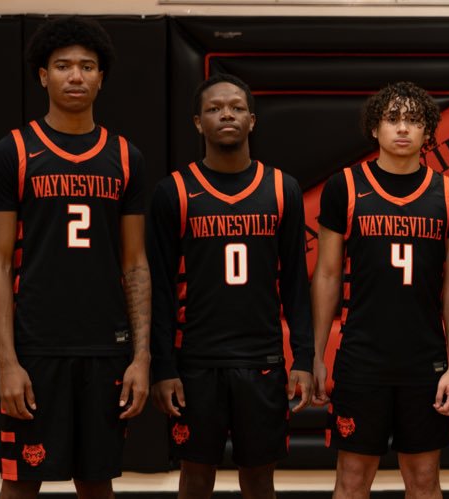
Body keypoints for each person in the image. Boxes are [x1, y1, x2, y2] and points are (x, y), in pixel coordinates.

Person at [0, 16, 150, 499]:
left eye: (87, 66)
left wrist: (140, 357)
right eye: (63, 66)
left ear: (101, 77)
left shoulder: (124, 157)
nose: (75, 76)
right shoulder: (11, 152)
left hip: (105, 346)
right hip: (36, 348)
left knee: (97, 485)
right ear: (42, 76)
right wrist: (6, 362)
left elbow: (135, 264)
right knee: (20, 484)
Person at [146, 74, 314, 499]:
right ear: (198, 123)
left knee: (259, 481)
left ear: (252, 121)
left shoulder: (282, 189)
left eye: (237, 108)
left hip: (262, 360)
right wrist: (163, 367)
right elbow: (161, 290)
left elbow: (296, 281)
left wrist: (305, 358)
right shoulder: (174, 191)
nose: (227, 114)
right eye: (215, 108)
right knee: (195, 478)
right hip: (196, 362)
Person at [310, 82, 449, 499]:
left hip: (424, 362)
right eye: (393, 119)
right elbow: (327, 276)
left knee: (423, 481)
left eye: (414, 120)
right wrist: (316, 354)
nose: (403, 129)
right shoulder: (344, 186)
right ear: (375, 128)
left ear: (429, 132)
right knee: (351, 479)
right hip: (362, 358)